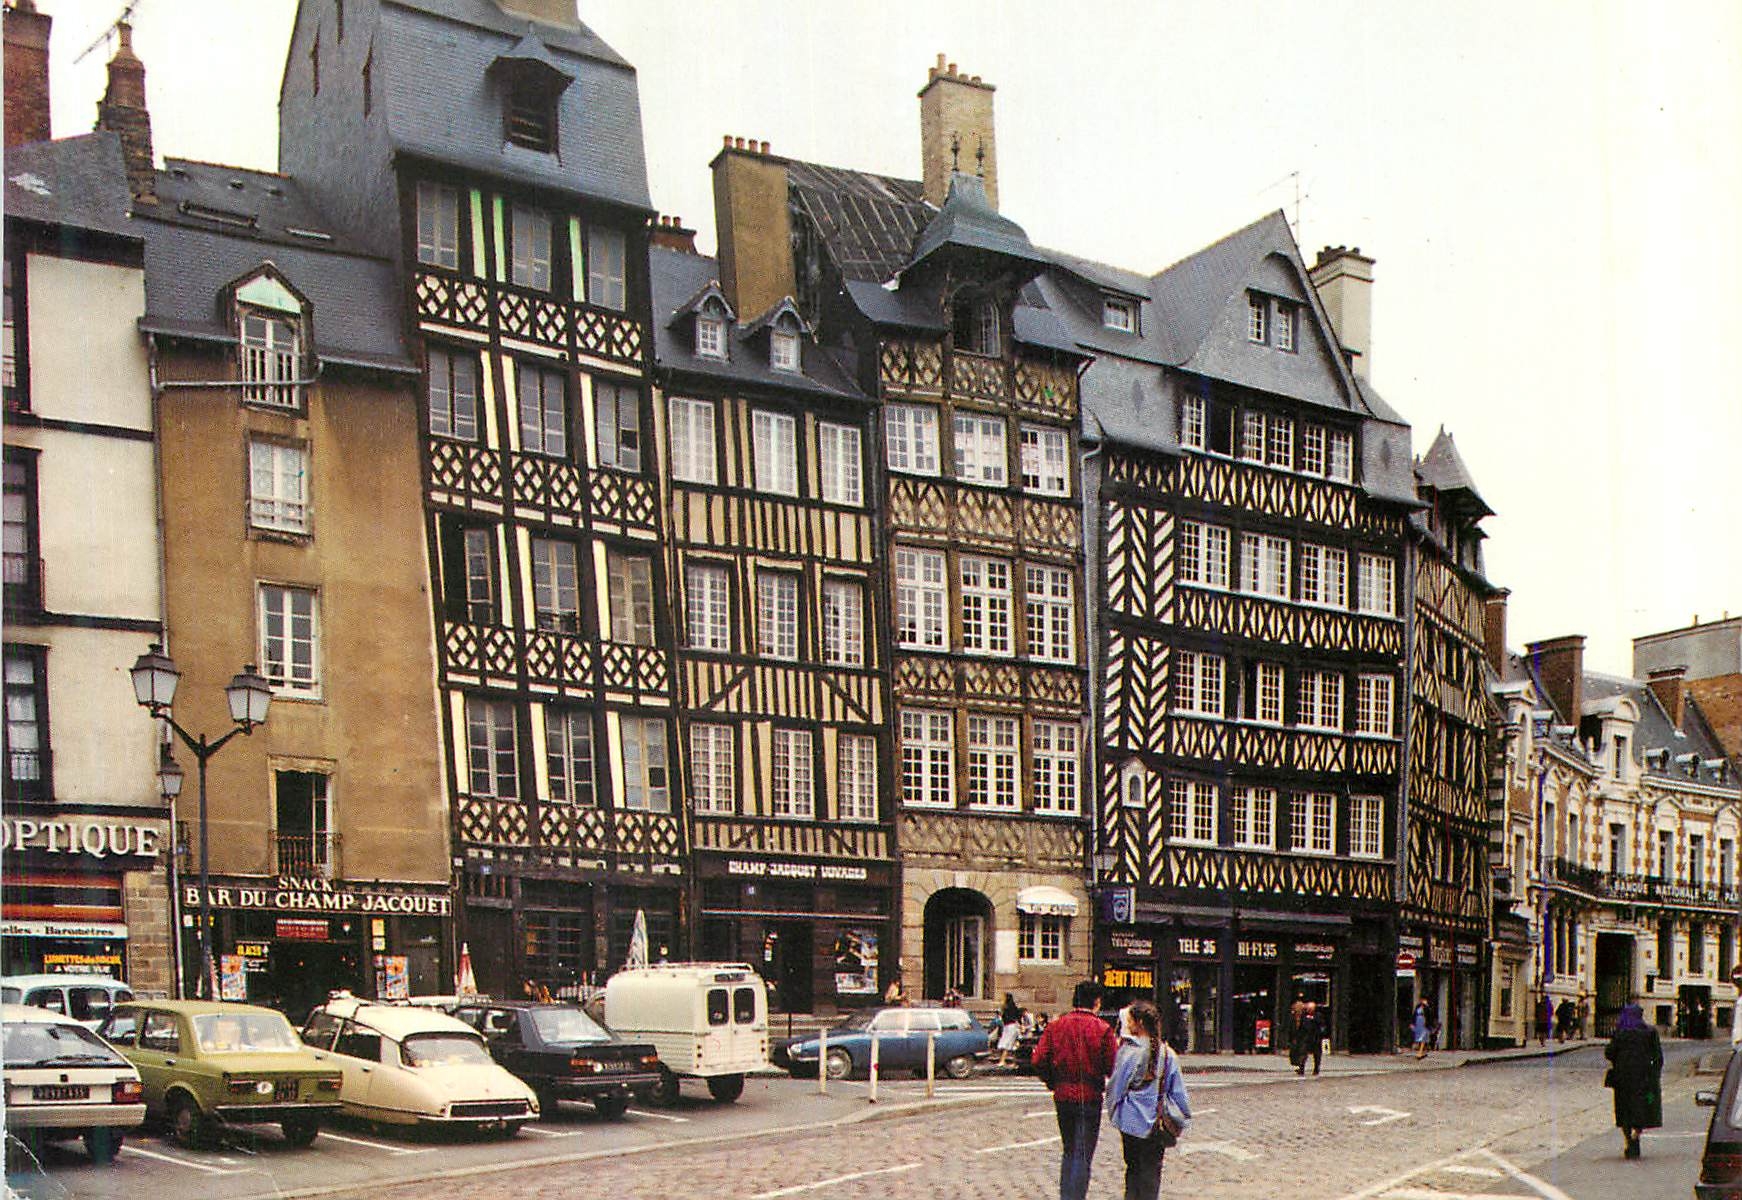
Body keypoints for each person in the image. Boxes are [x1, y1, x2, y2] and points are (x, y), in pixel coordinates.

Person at [1034, 979, 1120, 1200]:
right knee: (1082, 1154)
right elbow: (1113, 1066)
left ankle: (1066, 1195)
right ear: (1097, 1002)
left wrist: (1053, 1081)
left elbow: (1039, 1059)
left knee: (1069, 1150)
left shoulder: (1056, 1026)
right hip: (1090, 1095)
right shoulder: (1102, 1030)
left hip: (1063, 1094)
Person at [1106, 999, 1190, 1200]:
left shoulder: (1129, 1052)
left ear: (1140, 1023)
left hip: (1131, 1122)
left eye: (1131, 1021)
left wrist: (1114, 1112)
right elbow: (1178, 1093)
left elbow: (1115, 1088)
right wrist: (1182, 1117)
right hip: (1157, 1123)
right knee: (1152, 1174)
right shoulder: (1168, 1055)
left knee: (1133, 1170)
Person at [1605, 1003, 1663, 1159]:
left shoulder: (1620, 1033)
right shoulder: (1650, 1032)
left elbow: (1609, 1053)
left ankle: (1628, 1140)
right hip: (1644, 1079)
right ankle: (1636, 1135)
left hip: (1622, 1080)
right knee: (1642, 1109)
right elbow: (1658, 1057)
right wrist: (1654, 1074)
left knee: (1625, 1111)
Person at [1295, 1001, 1324, 1075]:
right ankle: (1301, 1069)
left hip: (1316, 1038)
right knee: (1303, 1054)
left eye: (1310, 1008)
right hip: (1306, 1038)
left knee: (1317, 1055)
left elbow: (1322, 1025)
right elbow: (1301, 1026)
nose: (1309, 1010)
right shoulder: (1304, 1016)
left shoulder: (1318, 1015)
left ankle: (1316, 1069)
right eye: (1308, 1008)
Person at [995, 993, 1023, 1067]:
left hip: (1011, 1027)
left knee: (1007, 1044)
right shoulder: (1006, 1007)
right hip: (1007, 1027)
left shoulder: (1008, 1008)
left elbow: (1017, 1016)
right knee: (1008, 1044)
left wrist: (1020, 1025)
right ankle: (1010, 1061)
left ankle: (1003, 1060)